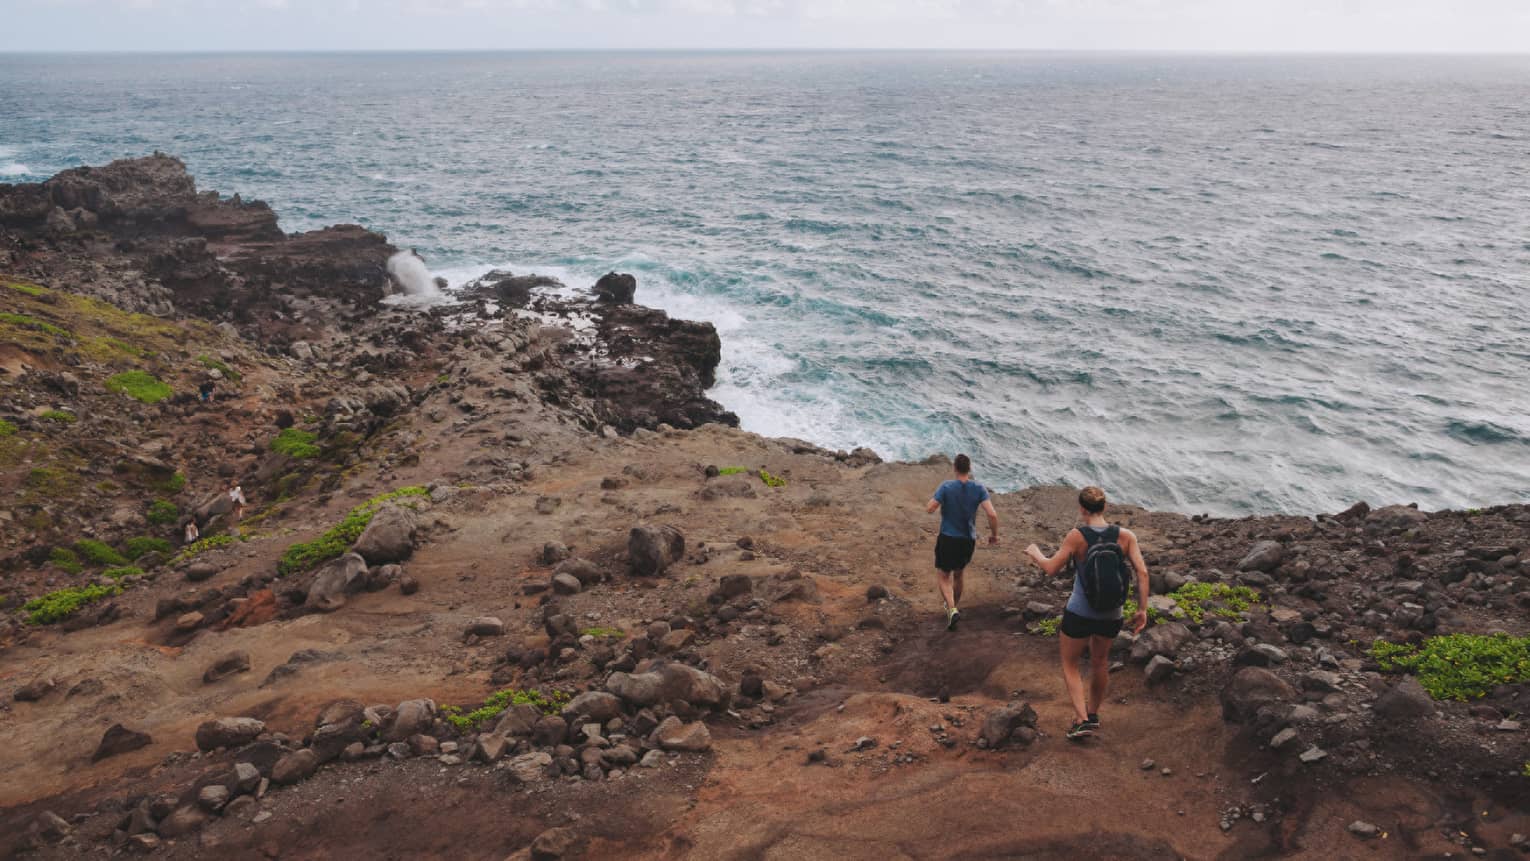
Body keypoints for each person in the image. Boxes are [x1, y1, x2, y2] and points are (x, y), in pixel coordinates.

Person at [1025, 486, 1150, 740]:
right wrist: (1142, 609)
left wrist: (1035, 552)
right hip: (1111, 614)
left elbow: (1051, 569)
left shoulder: (1077, 536)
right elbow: (1143, 573)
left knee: (1070, 664)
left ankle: (1081, 719)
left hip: (1080, 611)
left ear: (1082, 509)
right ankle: (1092, 715)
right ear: (1104, 507)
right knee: (1100, 662)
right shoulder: (1126, 536)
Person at [925, 453, 1000, 631]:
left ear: (955, 468)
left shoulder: (946, 486)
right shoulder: (979, 488)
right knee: (959, 574)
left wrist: (938, 502)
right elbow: (992, 514)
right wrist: (994, 535)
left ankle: (951, 609)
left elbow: (930, 508)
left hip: (948, 538)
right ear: (969, 469)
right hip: (967, 540)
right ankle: (954, 608)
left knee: (943, 575)